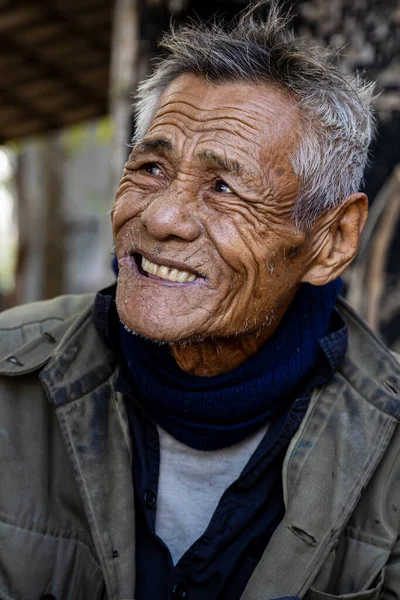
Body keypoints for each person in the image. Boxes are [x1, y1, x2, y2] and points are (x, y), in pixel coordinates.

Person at [1, 4, 399, 600]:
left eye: (223, 187)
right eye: (152, 167)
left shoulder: (388, 453)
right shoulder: (10, 380)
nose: (160, 217)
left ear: (330, 242)